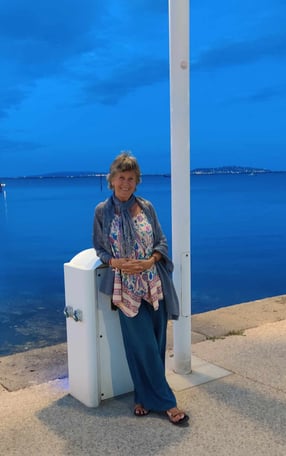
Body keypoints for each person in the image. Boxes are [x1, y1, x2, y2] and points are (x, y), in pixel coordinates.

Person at [93, 152, 189, 426]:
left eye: (131, 179)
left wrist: (150, 260)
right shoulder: (102, 211)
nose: (126, 183)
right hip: (126, 289)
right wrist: (115, 262)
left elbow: (161, 241)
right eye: (121, 178)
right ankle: (167, 403)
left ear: (137, 182)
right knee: (141, 345)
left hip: (153, 283)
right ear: (112, 180)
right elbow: (99, 248)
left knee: (156, 344)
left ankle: (143, 397)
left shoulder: (146, 207)